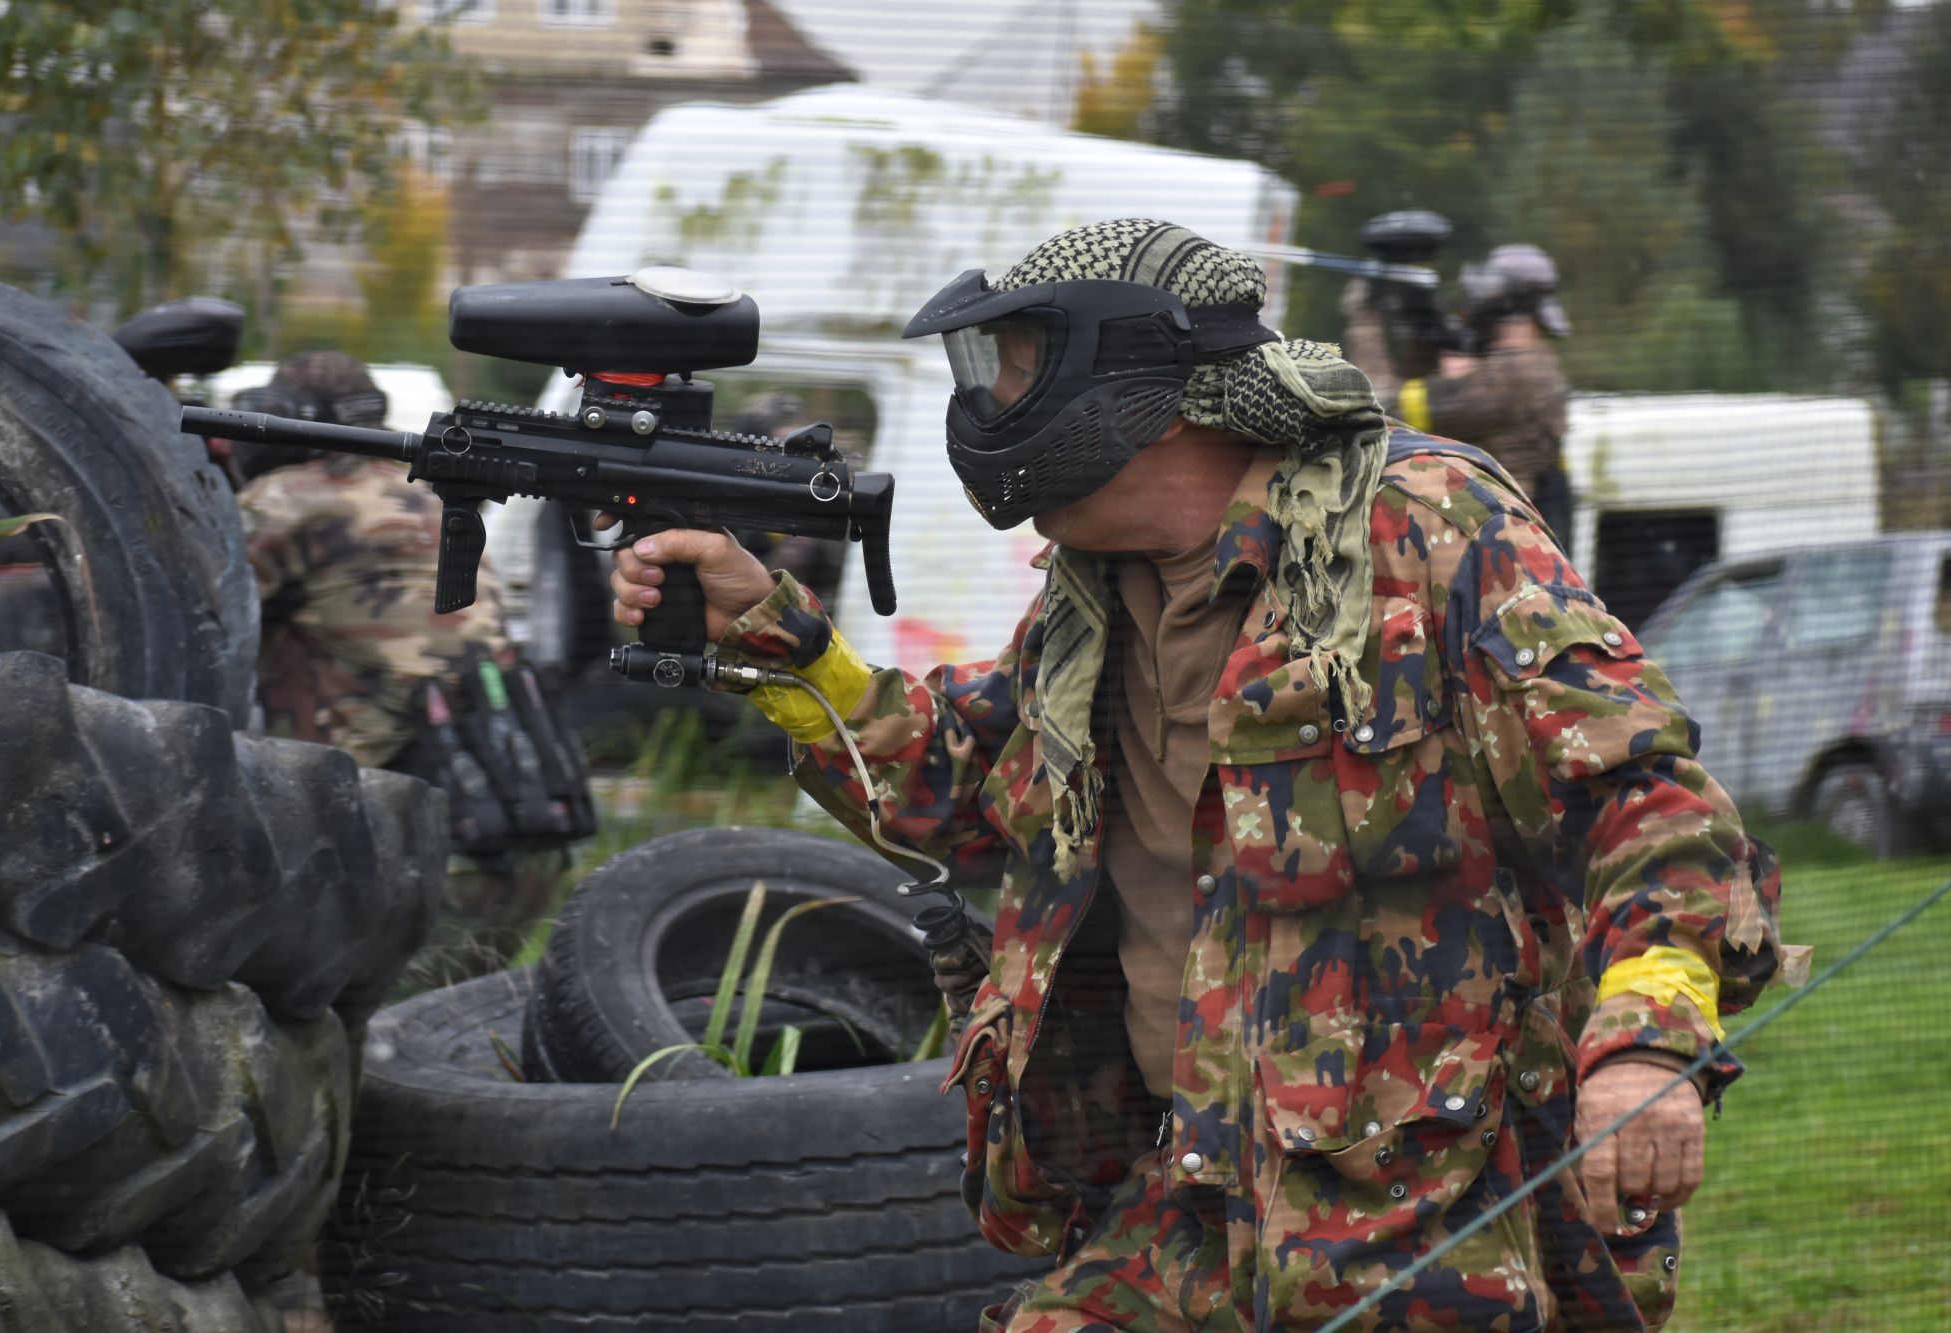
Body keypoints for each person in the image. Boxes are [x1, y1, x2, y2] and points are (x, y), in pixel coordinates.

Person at [609, 220, 1800, 1331]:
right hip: (1182, 1203)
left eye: (1013, 372)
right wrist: (768, 635)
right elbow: (953, 785)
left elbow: (1647, 801)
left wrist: (1646, 1046)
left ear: (1142, 396)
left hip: (1429, 1228)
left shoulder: (1422, 528)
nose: (986, 407)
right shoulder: (1095, 594)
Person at [235, 351, 568, 989]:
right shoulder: (431, 500)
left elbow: (188, 615)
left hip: (386, 837)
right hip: (509, 814)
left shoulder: (286, 501)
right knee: (449, 1035)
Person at [1343, 243, 1576, 551]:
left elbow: (1382, 408)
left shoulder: (1508, 377)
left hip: (1499, 547)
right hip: (1513, 542)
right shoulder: (1538, 361)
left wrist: (1363, 318)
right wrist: (1426, 340)